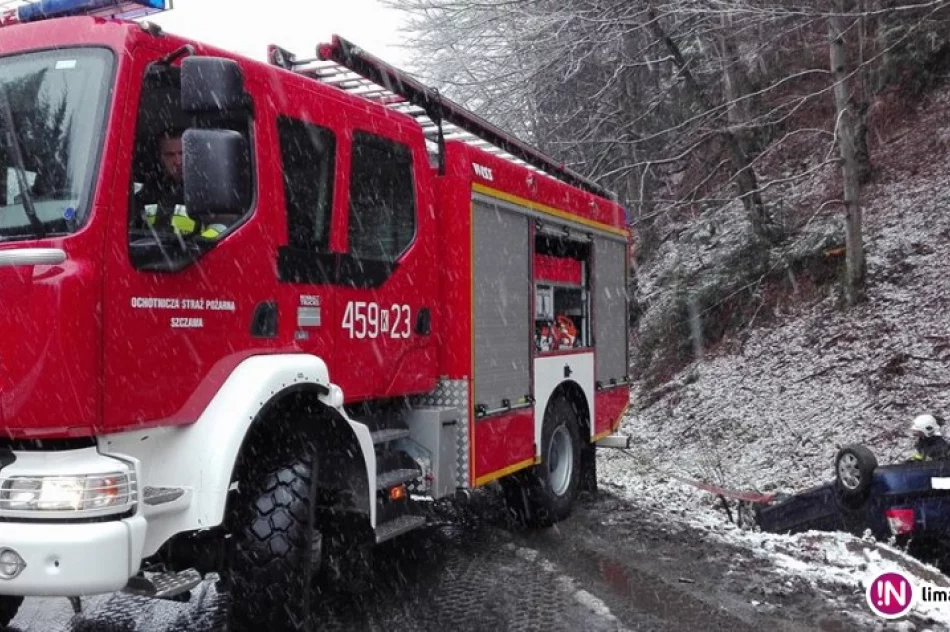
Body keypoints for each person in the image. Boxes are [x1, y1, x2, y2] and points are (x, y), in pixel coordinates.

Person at [133, 131, 228, 240]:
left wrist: (200, 245)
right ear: (161, 158)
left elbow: (223, 228)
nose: (178, 161)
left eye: (182, 153)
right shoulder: (150, 191)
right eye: (170, 155)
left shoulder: (209, 189)